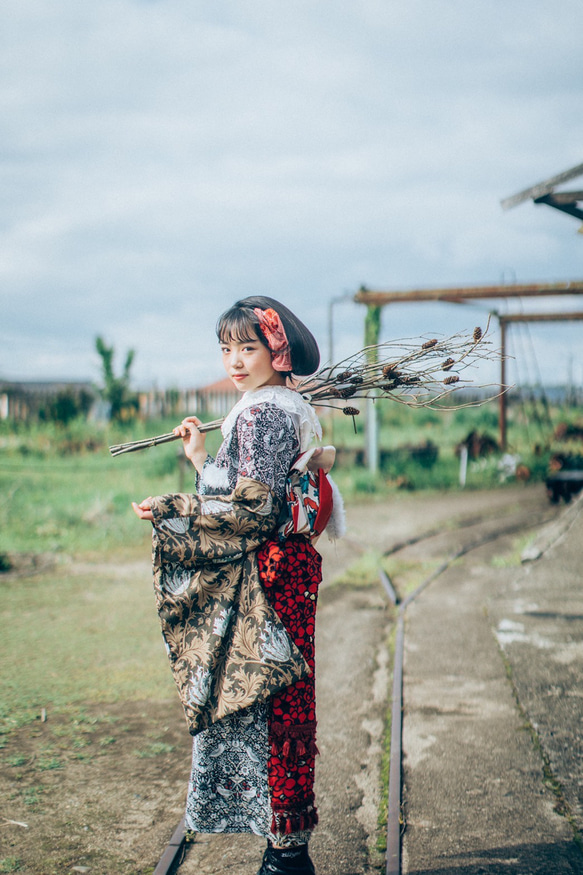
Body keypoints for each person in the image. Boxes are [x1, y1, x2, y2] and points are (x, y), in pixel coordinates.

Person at [132, 296, 344, 875]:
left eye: (248, 347)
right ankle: (286, 848)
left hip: (270, 580)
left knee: (271, 701)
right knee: (280, 699)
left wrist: (173, 510)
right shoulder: (273, 406)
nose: (235, 360)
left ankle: (286, 856)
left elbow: (250, 511)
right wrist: (200, 461)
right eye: (226, 348)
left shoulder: (265, 414)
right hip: (282, 573)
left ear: (277, 350)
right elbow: (245, 494)